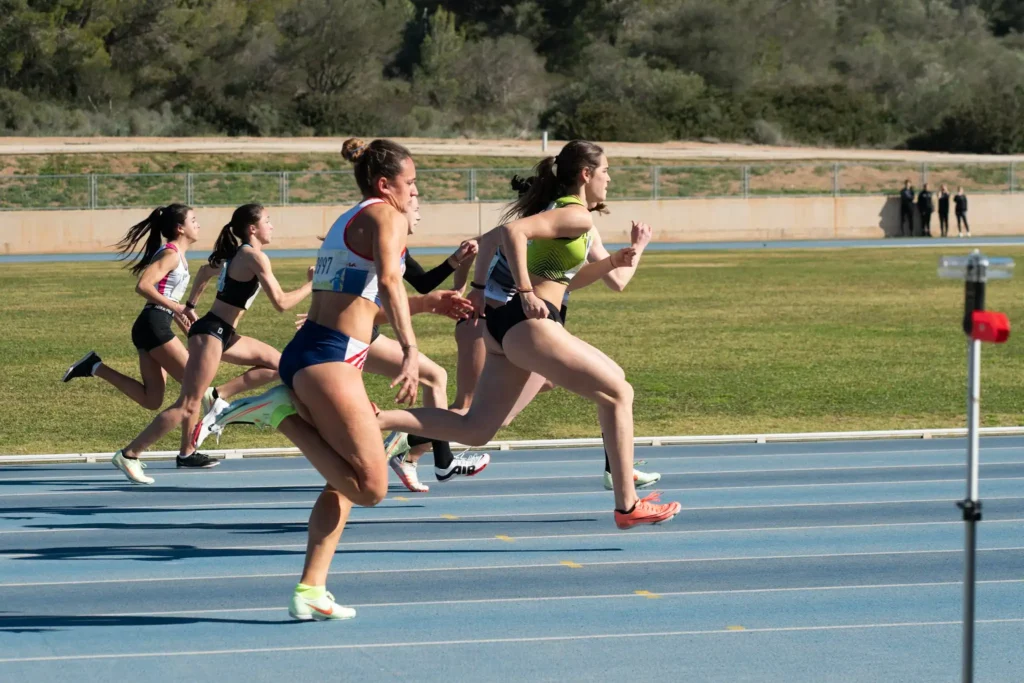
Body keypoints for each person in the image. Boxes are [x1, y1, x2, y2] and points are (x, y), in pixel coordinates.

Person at [189, 138, 472, 620]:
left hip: (317, 353)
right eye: (410, 183)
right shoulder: (386, 216)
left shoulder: (348, 220)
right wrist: (410, 349)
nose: (415, 191)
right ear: (385, 185)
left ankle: (310, 589)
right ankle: (277, 413)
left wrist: (426, 303)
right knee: (372, 488)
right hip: (329, 361)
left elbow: (358, 307)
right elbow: (388, 283)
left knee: (341, 480)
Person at [375, 140, 681, 530]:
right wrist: (522, 291)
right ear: (586, 174)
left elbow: (560, 276)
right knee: (619, 392)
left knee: (476, 429)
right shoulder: (576, 216)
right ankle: (627, 504)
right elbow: (510, 231)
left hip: (509, 326)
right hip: (529, 321)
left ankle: (376, 419)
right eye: (606, 171)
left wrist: (614, 261)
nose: (609, 179)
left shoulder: (566, 215)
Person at [110, 203, 312, 484]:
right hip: (211, 333)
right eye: (267, 220)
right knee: (187, 405)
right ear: (252, 229)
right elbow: (281, 303)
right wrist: (312, 284)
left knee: (280, 365)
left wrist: (191, 304)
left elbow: (205, 272)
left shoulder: (236, 254)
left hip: (223, 333)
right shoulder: (253, 257)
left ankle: (218, 395)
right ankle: (130, 454)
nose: (272, 226)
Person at [63, 204, 275, 421]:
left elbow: (170, 296)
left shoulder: (178, 256)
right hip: (154, 324)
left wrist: (186, 314)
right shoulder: (171, 254)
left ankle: (95, 366)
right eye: (193, 221)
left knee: (151, 399)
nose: (198, 225)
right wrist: (177, 308)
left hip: (150, 325)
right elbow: (143, 286)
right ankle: (191, 442)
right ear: (180, 228)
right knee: (196, 389)